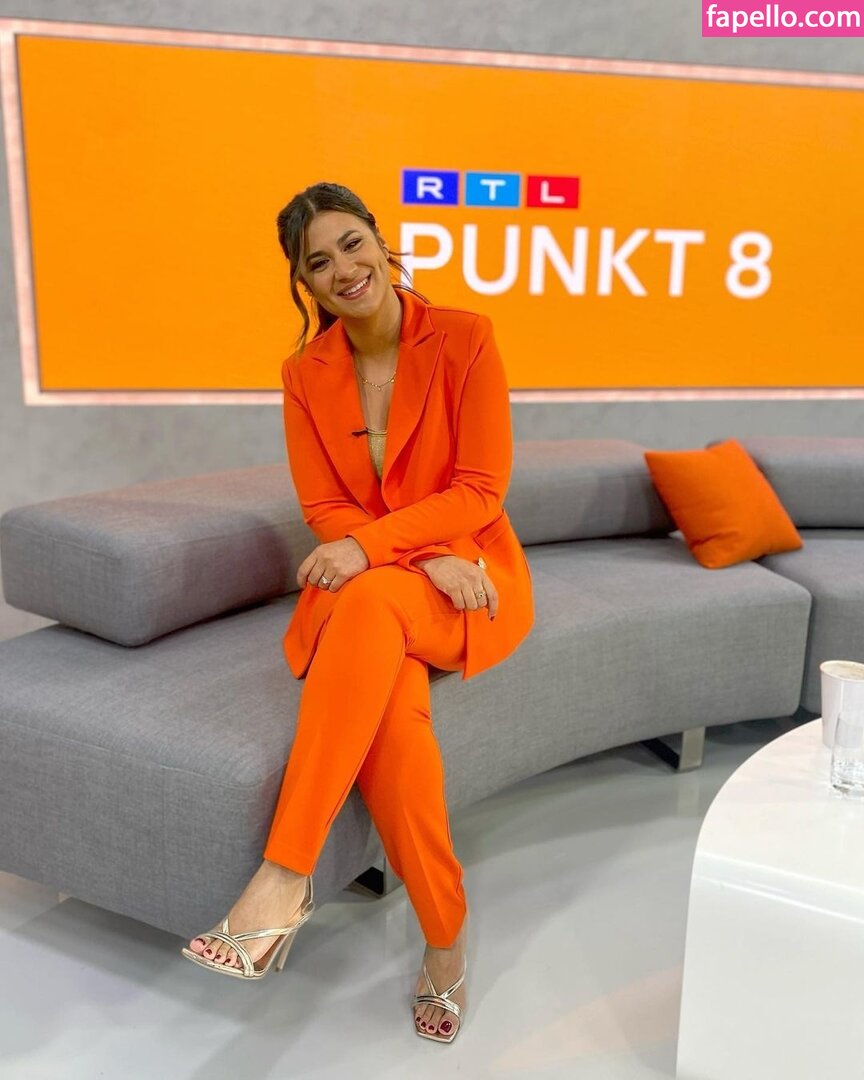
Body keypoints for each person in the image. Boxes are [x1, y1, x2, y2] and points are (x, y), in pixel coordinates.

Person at [181, 181, 534, 1043]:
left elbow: (480, 489)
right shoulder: (304, 375)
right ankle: (445, 940)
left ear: (381, 241)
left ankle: (284, 877)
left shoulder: (466, 337)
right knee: (395, 733)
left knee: (370, 596)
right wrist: (407, 554)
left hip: (471, 581)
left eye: (351, 243)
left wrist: (387, 551)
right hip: (396, 586)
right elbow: (325, 508)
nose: (343, 268)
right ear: (303, 283)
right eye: (318, 262)